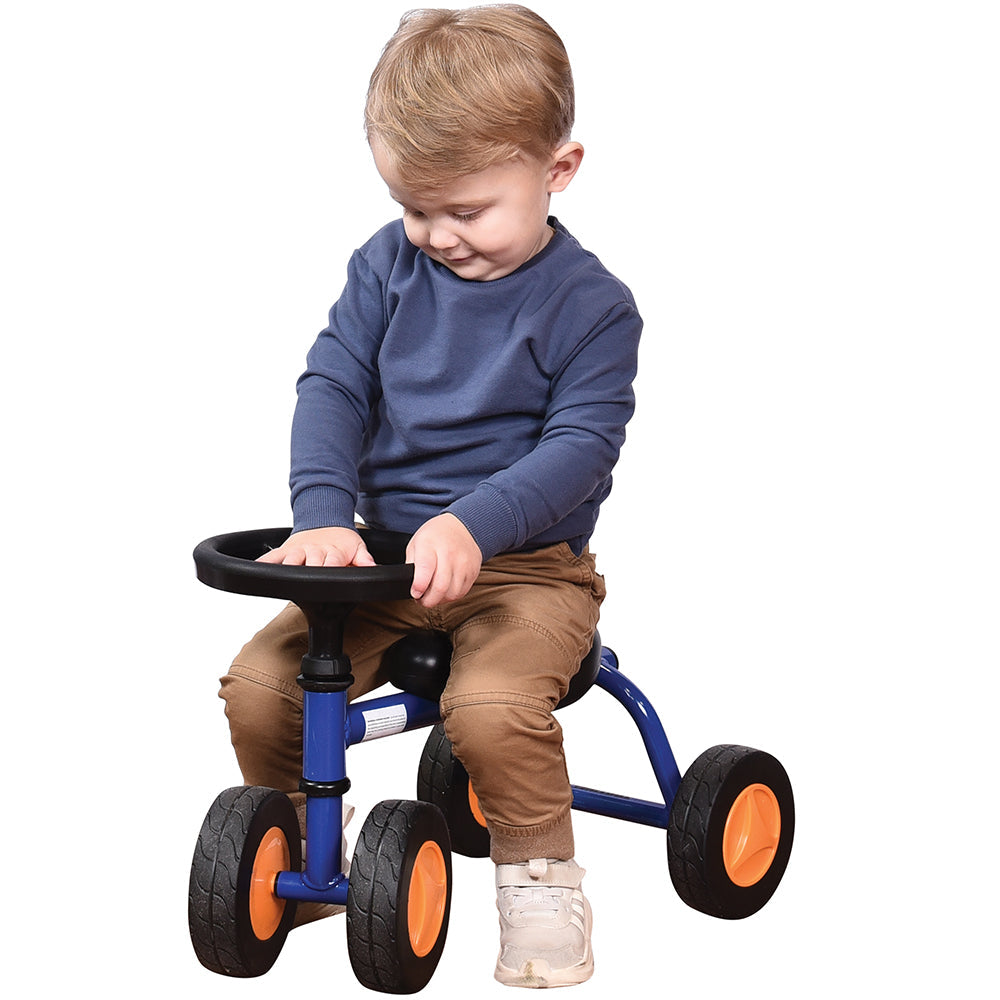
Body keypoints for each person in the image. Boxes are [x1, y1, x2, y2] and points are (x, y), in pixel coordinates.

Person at [219, 5, 642, 988]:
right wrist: (323, 513)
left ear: (558, 170)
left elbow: (579, 448)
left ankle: (539, 878)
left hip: (526, 569)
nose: (436, 236)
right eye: (415, 208)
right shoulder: (385, 264)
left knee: (489, 708)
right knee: (260, 683)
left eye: (466, 211)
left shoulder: (589, 307)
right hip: (386, 555)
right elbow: (334, 384)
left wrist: (473, 521)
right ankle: (299, 848)